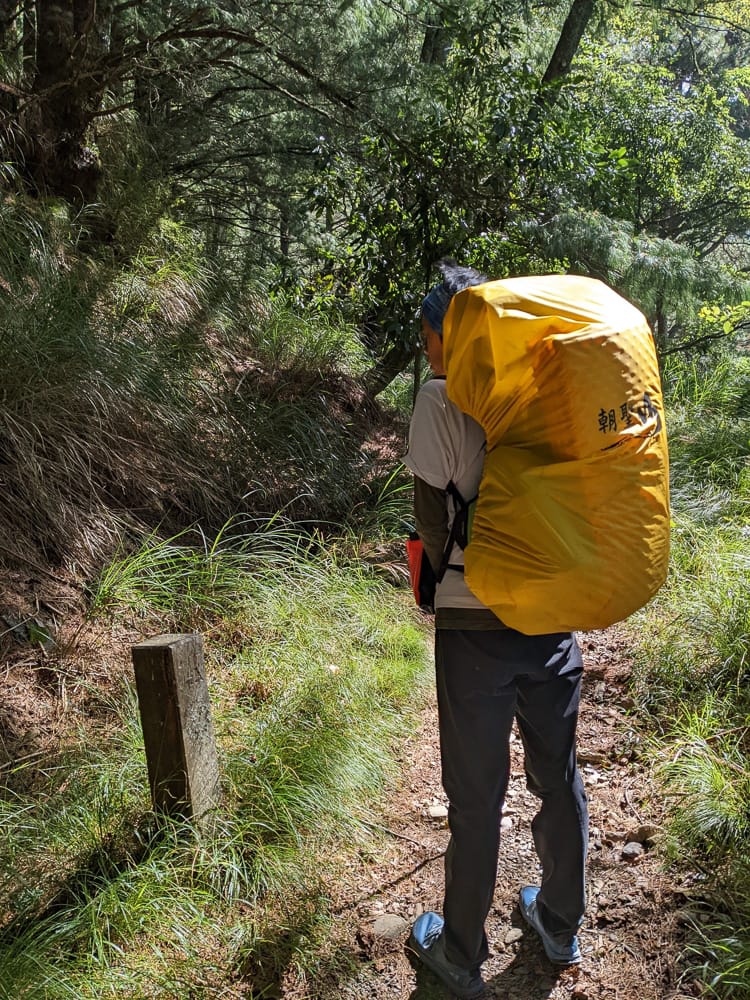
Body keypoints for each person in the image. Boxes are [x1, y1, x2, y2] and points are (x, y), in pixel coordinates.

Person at [403, 261, 589, 999]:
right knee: (558, 778)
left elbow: (429, 520)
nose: (425, 351)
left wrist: (437, 580)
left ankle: (459, 952)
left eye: (427, 336)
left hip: (475, 622)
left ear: (445, 337)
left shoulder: (440, 399)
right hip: (551, 617)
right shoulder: (548, 393)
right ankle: (560, 923)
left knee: (477, 797)